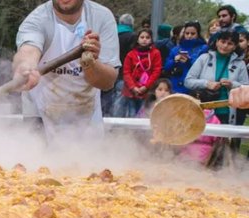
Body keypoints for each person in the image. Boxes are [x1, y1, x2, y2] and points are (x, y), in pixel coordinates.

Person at [13, 0, 120, 143]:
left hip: (86, 111)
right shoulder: (37, 19)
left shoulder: (101, 17)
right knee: (36, 162)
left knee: (88, 163)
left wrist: (90, 63)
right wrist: (25, 67)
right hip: (41, 111)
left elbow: (107, 82)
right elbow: (28, 50)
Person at [185, 31, 249, 125]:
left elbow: (246, 87)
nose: (225, 46)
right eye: (223, 42)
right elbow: (188, 81)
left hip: (228, 112)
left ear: (235, 47)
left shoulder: (240, 64)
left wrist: (232, 84)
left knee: (225, 139)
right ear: (217, 42)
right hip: (204, 110)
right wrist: (206, 84)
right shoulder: (204, 58)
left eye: (230, 43)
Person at [121, 29, 162, 117]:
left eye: (147, 37)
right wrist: (133, 87)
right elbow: (126, 72)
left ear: (151, 39)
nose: (144, 39)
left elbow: (156, 71)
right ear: (137, 39)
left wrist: (146, 86)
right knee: (132, 115)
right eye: (142, 37)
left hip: (147, 91)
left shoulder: (155, 53)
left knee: (145, 115)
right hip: (131, 91)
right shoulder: (131, 54)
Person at [163, 21, 208, 94]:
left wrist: (188, 61)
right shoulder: (176, 49)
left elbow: (203, 67)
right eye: (187, 33)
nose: (189, 36)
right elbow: (166, 67)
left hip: (193, 87)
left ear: (198, 34)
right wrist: (174, 61)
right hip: (175, 86)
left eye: (193, 34)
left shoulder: (203, 48)